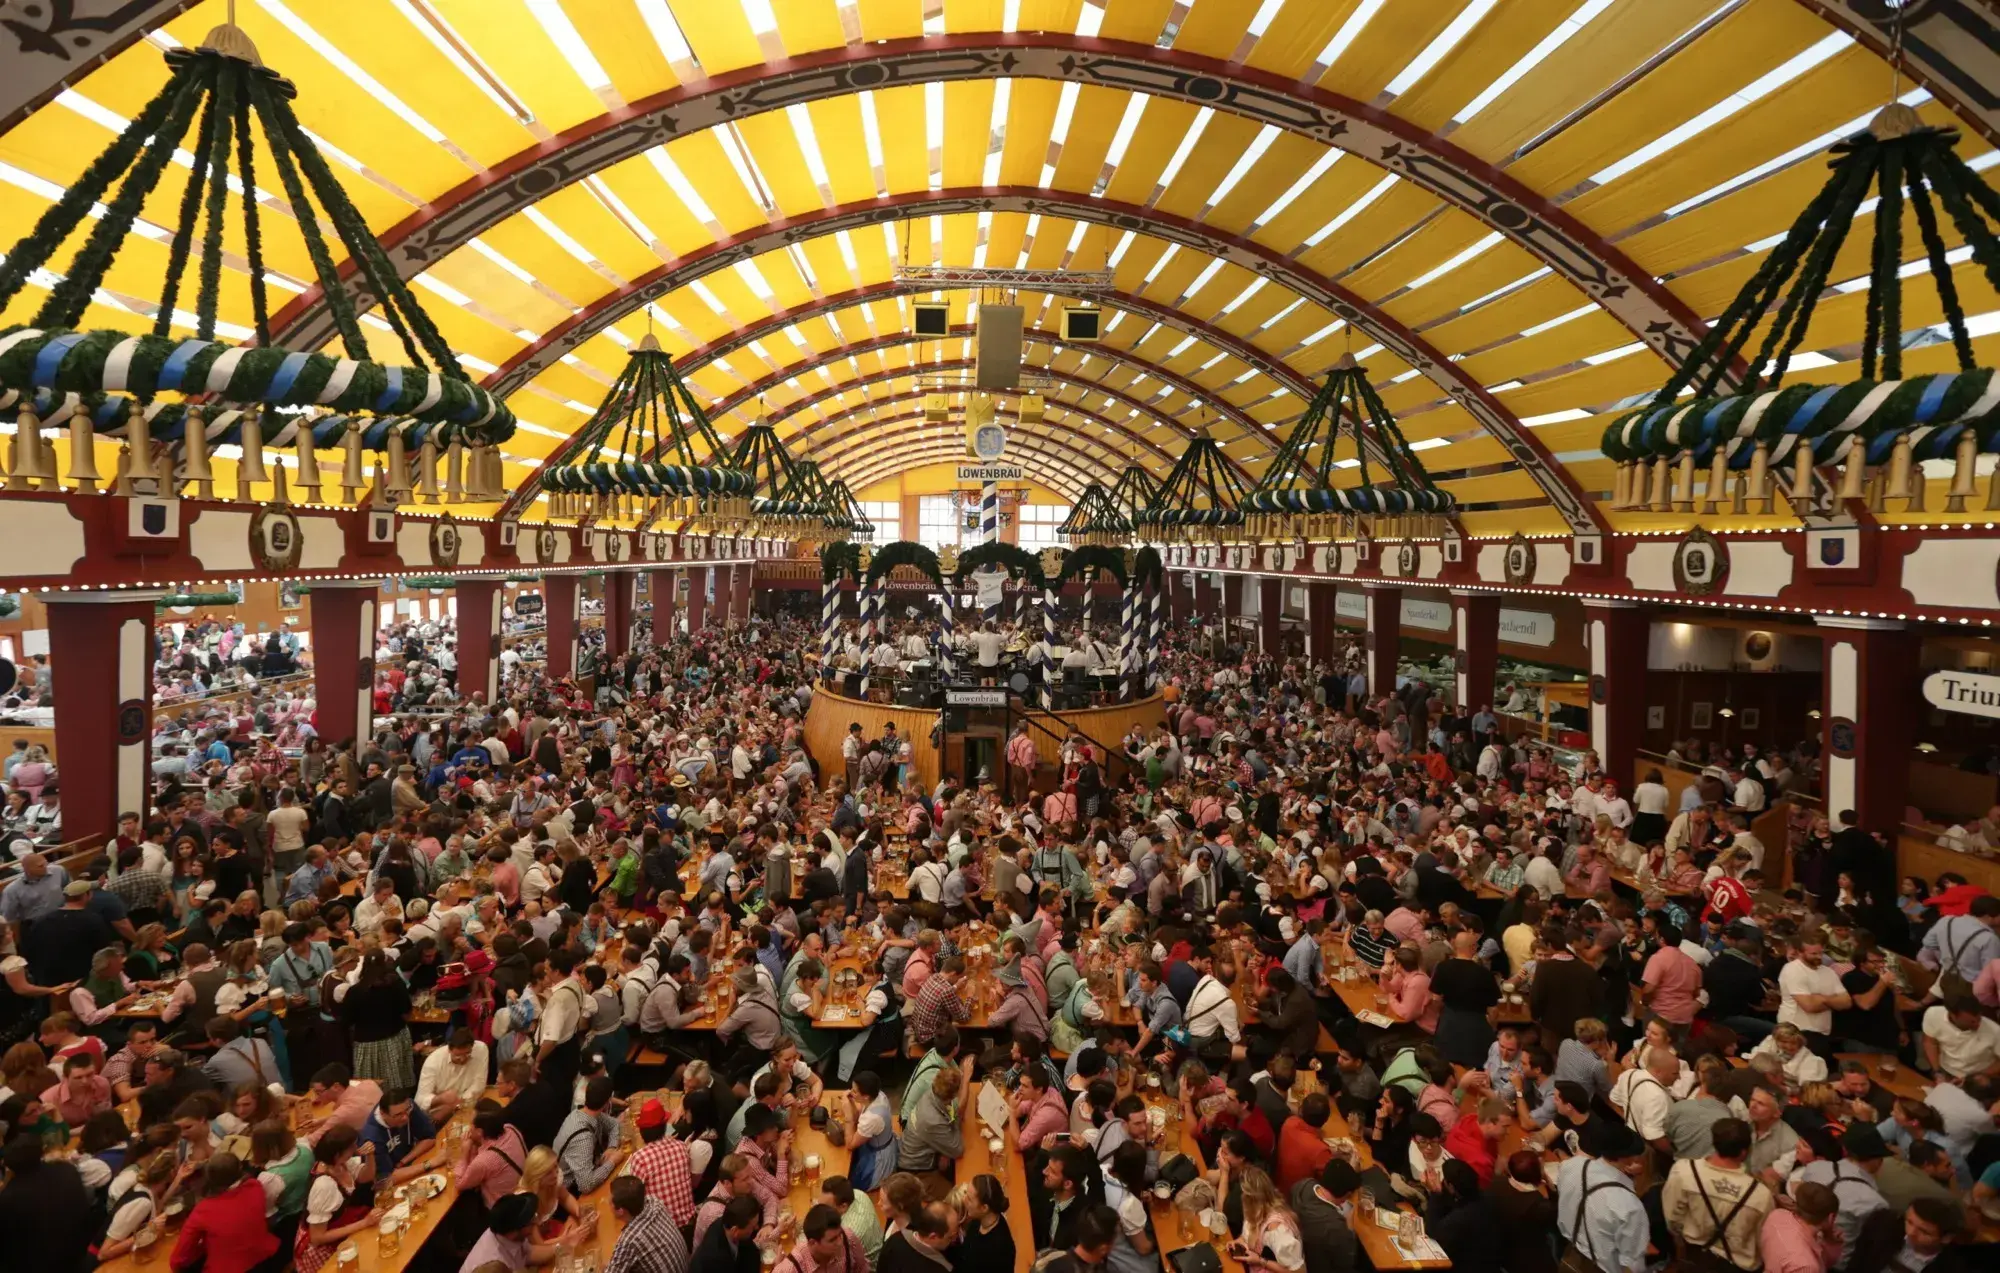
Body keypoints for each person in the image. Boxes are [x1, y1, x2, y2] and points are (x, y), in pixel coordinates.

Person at [1660, 1118, 1773, 1273]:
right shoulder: (1760, 1194)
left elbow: (1672, 1218)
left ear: (1714, 1142)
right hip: (1738, 1267)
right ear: (1744, 1152)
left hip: (1696, 1258)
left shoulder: (1684, 1172)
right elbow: (1763, 1240)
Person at [1553, 1125, 1651, 1273]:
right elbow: (1633, 1262)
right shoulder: (1629, 1206)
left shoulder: (1570, 1166)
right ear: (1630, 1158)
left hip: (1569, 1256)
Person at [169, 1152, 280, 1273]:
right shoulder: (254, 1186)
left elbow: (178, 1259)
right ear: (240, 1169)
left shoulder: (203, 1209)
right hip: (263, 1259)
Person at [605, 1175, 690, 1273]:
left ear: (620, 1211)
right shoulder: (654, 1202)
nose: (607, 1202)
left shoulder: (629, 1241)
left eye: (610, 1201)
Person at [689, 1194, 762, 1273]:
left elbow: (750, 1252)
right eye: (752, 1227)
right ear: (735, 1231)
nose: (756, 1228)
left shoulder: (729, 1223)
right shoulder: (716, 1258)